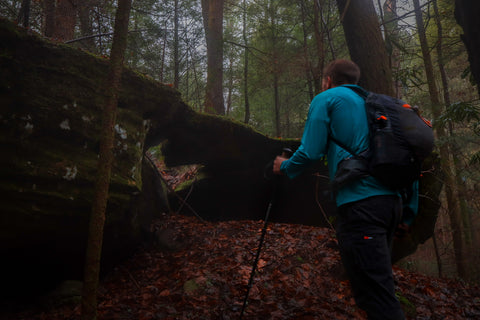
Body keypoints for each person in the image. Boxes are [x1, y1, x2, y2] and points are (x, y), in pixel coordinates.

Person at [273, 59, 416, 320]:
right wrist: (408, 213)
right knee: (376, 290)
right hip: (392, 206)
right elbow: (407, 158)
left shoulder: (327, 98)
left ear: (328, 80)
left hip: (361, 208)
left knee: (378, 298)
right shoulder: (380, 106)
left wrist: (284, 167)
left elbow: (310, 151)